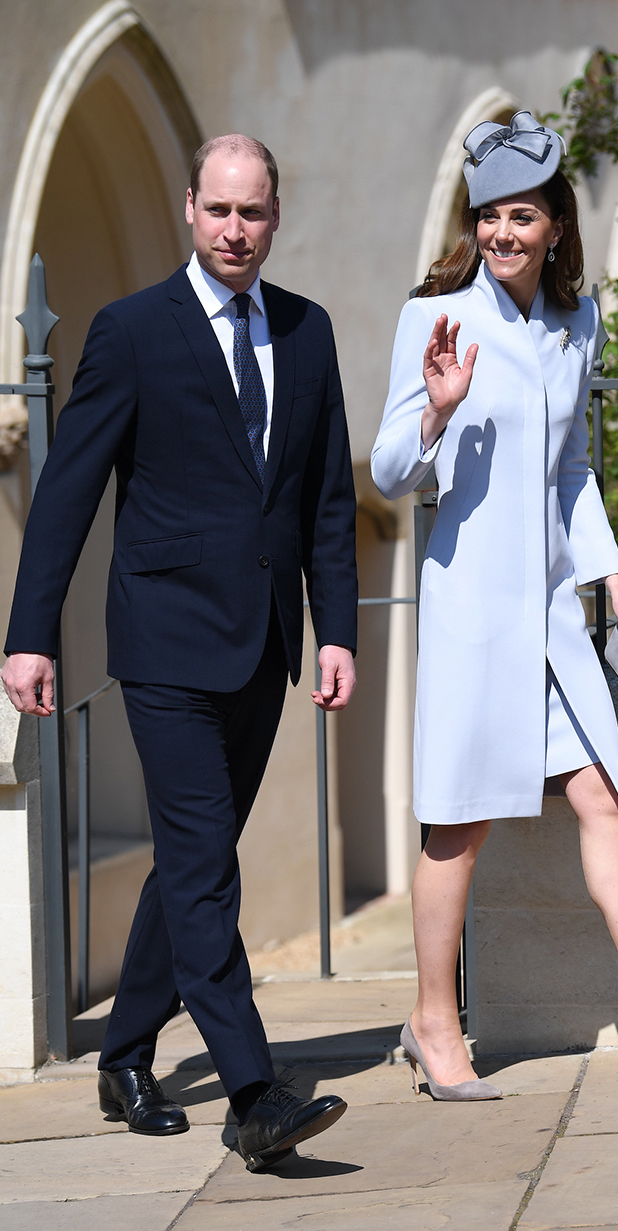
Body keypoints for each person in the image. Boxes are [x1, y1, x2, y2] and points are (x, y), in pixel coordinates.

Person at [2, 134, 358, 1168]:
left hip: (264, 645)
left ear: (275, 216)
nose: (235, 231)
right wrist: (30, 637)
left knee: (189, 866)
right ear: (188, 210)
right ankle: (254, 1094)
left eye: (252, 213)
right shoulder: (130, 332)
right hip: (161, 646)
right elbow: (66, 494)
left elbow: (325, 499)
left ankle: (123, 1053)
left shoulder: (307, 330)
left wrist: (335, 625)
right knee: (206, 870)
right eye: (218, 211)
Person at [371, 111, 618, 1098]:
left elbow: (569, 469)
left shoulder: (575, 323)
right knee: (458, 825)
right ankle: (431, 1021)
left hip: (546, 614)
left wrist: (610, 575)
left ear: (556, 227)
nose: (500, 232)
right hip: (467, 613)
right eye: (488, 215)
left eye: (520, 216)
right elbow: (388, 466)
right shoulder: (436, 313)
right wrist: (438, 409)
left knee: (604, 799)